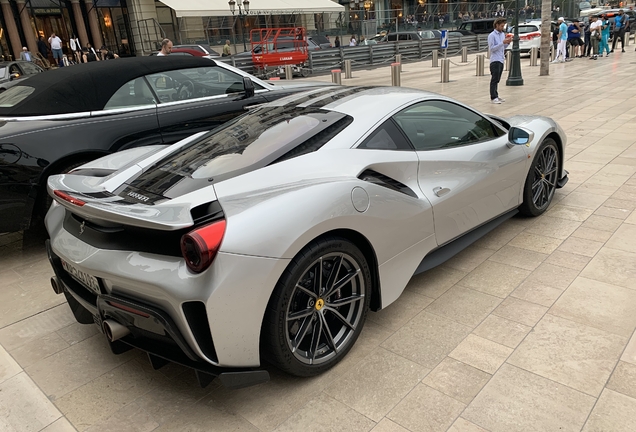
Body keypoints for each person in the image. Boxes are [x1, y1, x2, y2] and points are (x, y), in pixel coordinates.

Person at [487, 18, 512, 104]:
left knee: (497, 79)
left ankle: (496, 95)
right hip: (495, 60)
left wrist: (507, 43)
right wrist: (502, 42)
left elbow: (502, 48)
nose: (502, 27)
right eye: (501, 26)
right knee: (494, 79)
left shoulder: (502, 35)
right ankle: (493, 97)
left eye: (503, 26)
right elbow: (492, 49)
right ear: (497, 25)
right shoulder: (492, 35)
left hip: (501, 59)